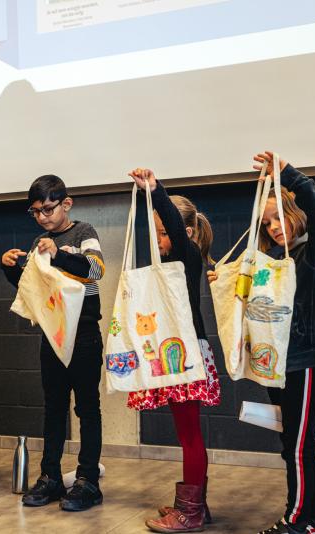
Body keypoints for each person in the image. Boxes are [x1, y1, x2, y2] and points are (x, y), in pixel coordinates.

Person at [208, 152, 315, 534]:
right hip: (280, 365)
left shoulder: (312, 256)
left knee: (297, 447)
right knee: (295, 446)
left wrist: (290, 176)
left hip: (305, 362)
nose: (275, 227)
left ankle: (294, 521)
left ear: (296, 215)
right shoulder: (275, 260)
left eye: (280, 216)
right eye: (268, 222)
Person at [1, 175, 105, 512]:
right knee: (54, 408)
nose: (43, 217)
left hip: (84, 332)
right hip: (53, 334)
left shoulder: (84, 232)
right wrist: (12, 269)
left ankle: (88, 480)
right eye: (36, 212)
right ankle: (51, 477)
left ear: (66, 204)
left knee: (87, 408)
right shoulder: (39, 241)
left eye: (48, 209)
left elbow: (95, 271)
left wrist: (59, 253)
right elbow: (32, 289)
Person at [126, 169, 221, 533]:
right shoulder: (173, 262)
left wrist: (155, 191)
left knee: (190, 436)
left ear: (186, 233)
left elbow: (175, 233)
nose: (160, 239)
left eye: (164, 232)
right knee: (188, 435)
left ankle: (190, 513)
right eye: (158, 232)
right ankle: (195, 506)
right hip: (180, 353)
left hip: (187, 355)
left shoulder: (187, 254)